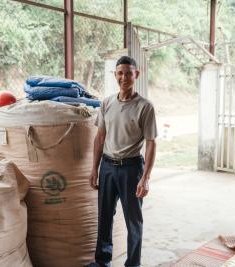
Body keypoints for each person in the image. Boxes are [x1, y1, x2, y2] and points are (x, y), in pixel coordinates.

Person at [87, 56, 157, 267]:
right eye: (119, 73)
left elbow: (151, 143)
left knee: (133, 221)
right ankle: (102, 261)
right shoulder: (107, 103)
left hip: (131, 169)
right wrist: (94, 168)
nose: (123, 77)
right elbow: (100, 138)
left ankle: (132, 264)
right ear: (115, 75)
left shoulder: (145, 107)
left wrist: (145, 178)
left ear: (136, 74)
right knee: (104, 217)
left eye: (128, 72)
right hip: (107, 167)